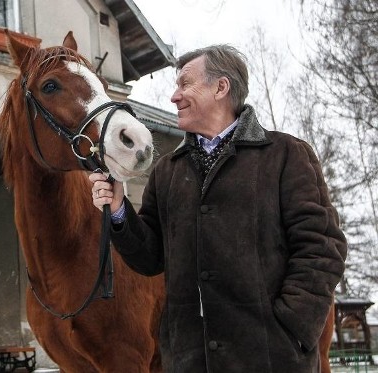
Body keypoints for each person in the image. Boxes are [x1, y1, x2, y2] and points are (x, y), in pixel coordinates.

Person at [89, 44, 347, 372]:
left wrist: (291, 326)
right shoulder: (167, 171)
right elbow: (150, 258)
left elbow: (323, 249)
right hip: (189, 361)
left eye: (185, 84)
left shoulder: (286, 155)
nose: (174, 96)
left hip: (271, 359)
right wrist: (118, 210)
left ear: (221, 87)